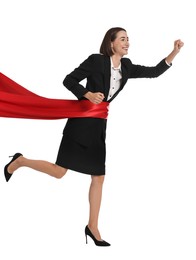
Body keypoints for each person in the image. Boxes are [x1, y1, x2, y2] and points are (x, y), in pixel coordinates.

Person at [4, 27, 184, 246]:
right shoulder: (96, 61)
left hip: (99, 126)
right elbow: (69, 80)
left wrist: (174, 52)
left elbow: (154, 72)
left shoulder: (126, 67)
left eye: (129, 39)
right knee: (60, 172)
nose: (127, 42)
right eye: (123, 39)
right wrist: (87, 94)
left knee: (98, 177)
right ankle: (20, 161)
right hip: (80, 122)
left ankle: (93, 227)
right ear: (111, 43)